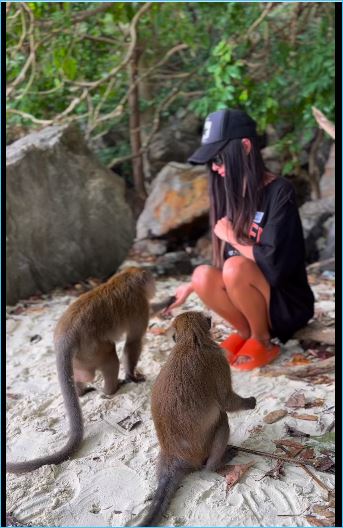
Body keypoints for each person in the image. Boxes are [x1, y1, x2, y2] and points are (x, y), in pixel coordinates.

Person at [166, 108, 315, 370]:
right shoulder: (229, 196)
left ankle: (263, 339)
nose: (215, 167)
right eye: (212, 161)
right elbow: (227, 266)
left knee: (235, 267)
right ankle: (246, 333)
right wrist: (190, 287)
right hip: (250, 297)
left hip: (285, 305)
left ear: (245, 146)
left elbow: (275, 266)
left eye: (220, 159)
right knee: (201, 274)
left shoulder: (280, 192)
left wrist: (234, 239)